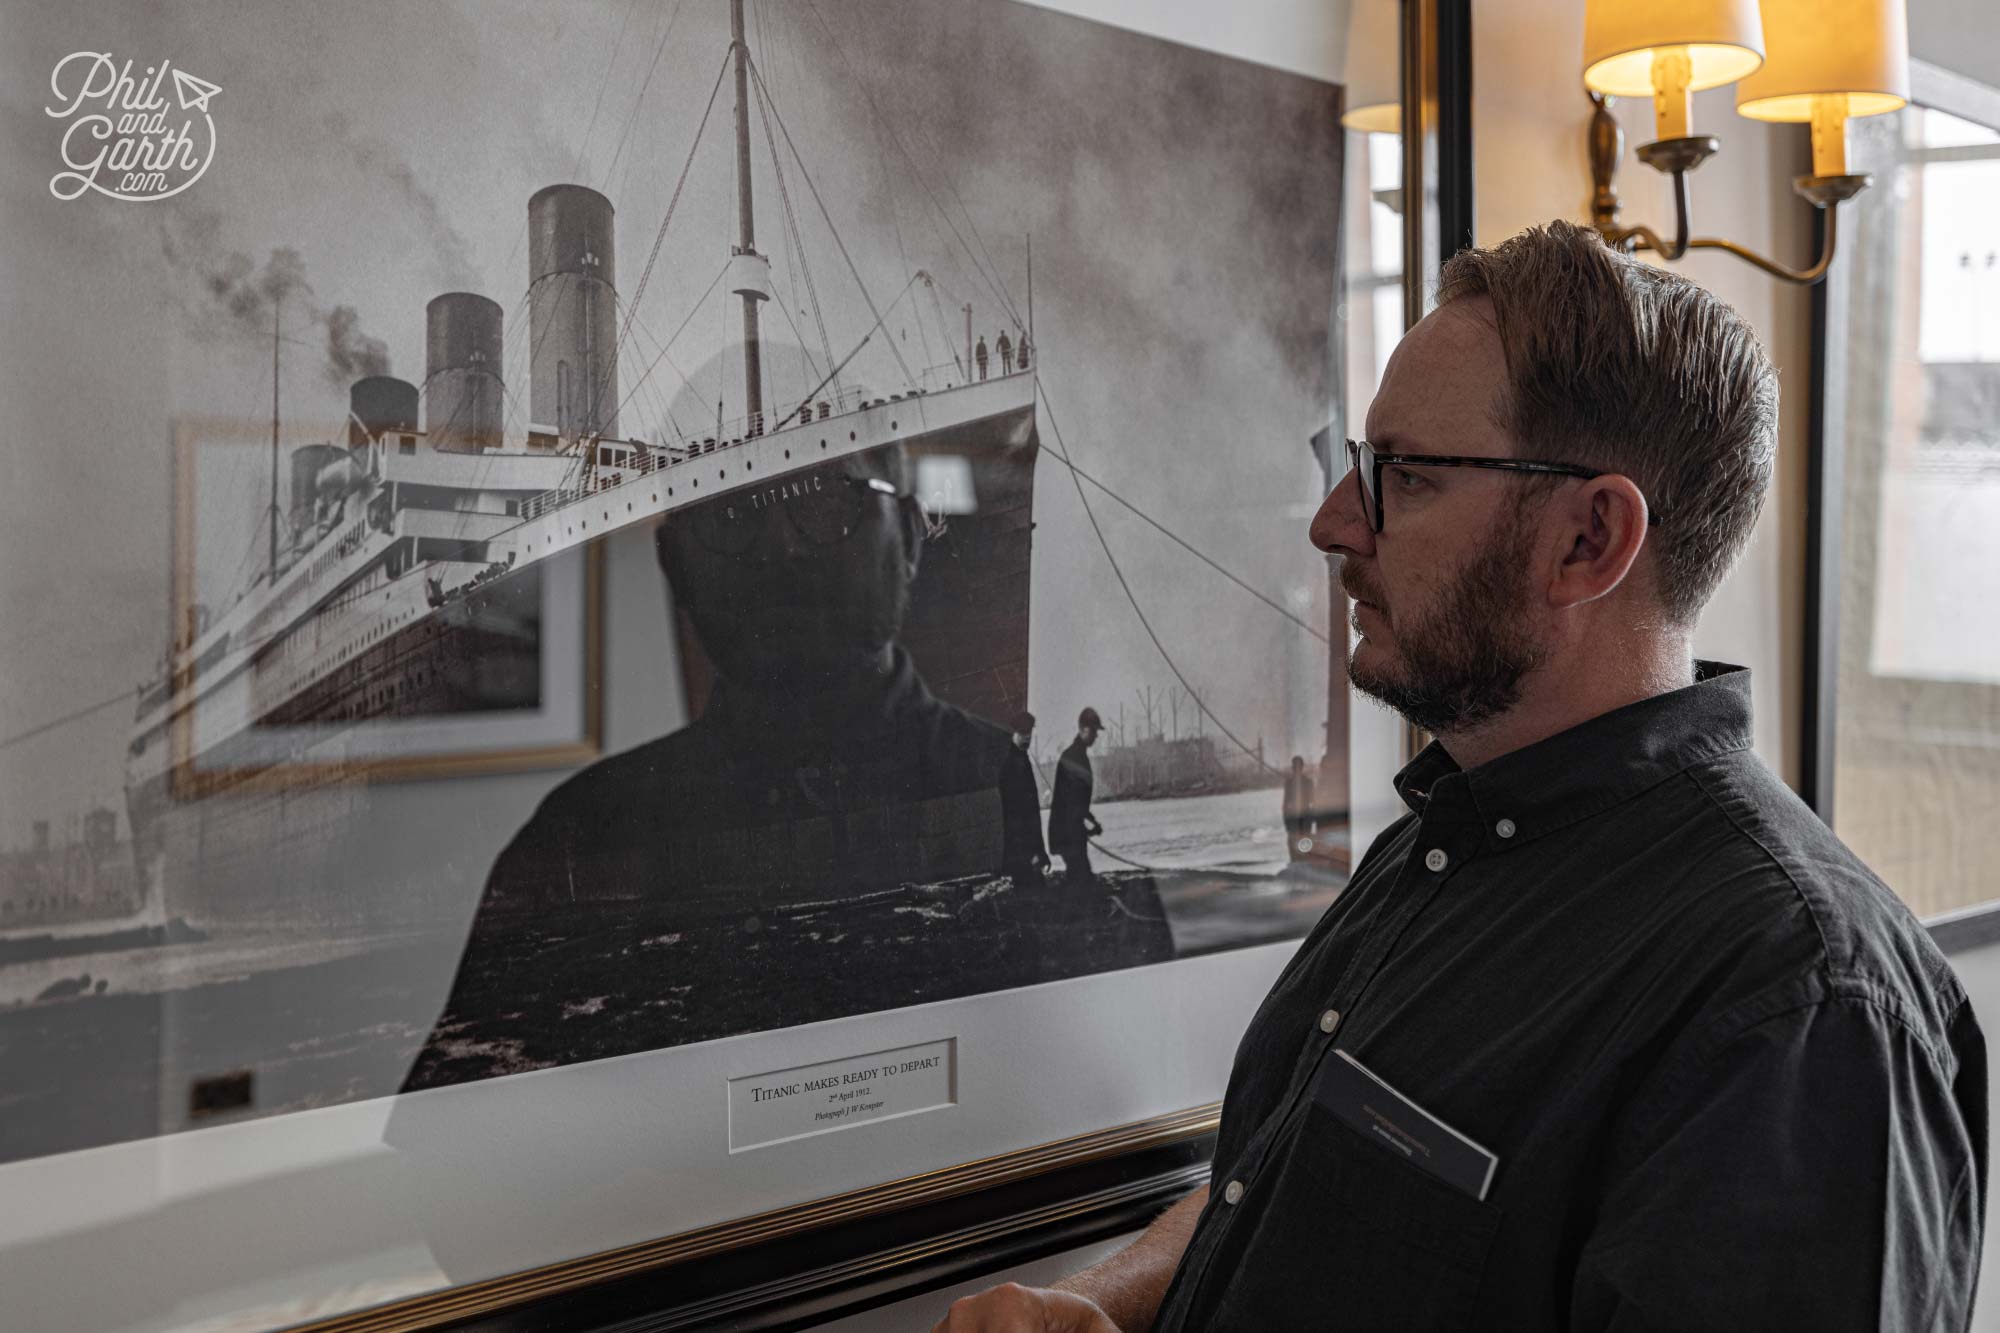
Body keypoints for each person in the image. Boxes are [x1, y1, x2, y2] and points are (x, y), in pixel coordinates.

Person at [934, 221, 1985, 1331]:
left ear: (1588, 539)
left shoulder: (1800, 1014)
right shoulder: (1440, 837)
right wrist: (1101, 1304)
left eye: (1407, 478)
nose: (1333, 523)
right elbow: (1296, 1194)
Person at [1047, 708, 1104, 885]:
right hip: (1068, 833)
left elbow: (1078, 802)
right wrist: (1087, 826)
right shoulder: (1073, 757)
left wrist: (1091, 821)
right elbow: (1072, 802)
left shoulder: (1076, 755)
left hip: (1070, 832)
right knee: (1081, 877)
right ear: (1083, 729)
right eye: (1094, 731)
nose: (1096, 736)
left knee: (1079, 876)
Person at [998, 710, 1048, 886]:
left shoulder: (1022, 760)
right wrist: (1033, 854)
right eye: (1022, 734)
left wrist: (1040, 851)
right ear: (1013, 733)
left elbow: (1032, 814)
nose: (1027, 738)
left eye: (1029, 733)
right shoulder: (1012, 765)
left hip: (1025, 855)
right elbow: (1015, 817)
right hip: (1022, 856)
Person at [1280, 754, 1315, 860]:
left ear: (1293, 767)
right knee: (1302, 845)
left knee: (1296, 845)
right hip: (1302, 817)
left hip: (1298, 818)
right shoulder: (1308, 782)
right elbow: (1312, 802)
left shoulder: (1290, 782)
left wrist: (1286, 821)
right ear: (1302, 767)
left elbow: (1285, 804)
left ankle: (1297, 862)